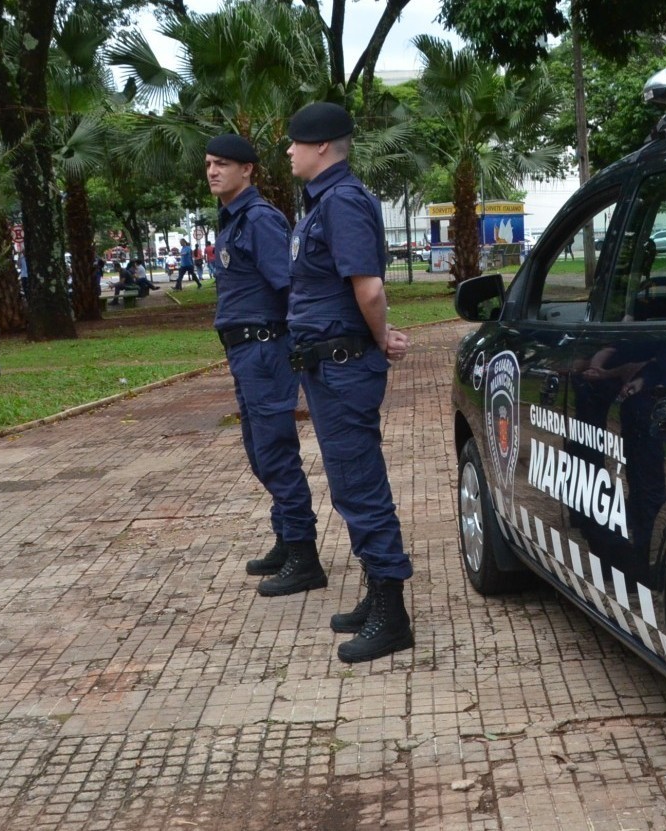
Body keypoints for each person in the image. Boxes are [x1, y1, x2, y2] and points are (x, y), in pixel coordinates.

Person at [283, 101, 415, 664]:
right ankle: (374, 594)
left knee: (360, 485)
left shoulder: (341, 203)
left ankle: (392, 614)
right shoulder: (319, 204)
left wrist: (383, 337)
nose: (287, 152)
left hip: (342, 366)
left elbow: (370, 290)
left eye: (294, 142)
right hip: (325, 364)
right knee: (348, 484)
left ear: (320, 147)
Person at [202, 133, 326, 603]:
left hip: (265, 349)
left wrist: (294, 346)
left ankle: (304, 554)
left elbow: (290, 287)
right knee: (260, 450)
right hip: (243, 351)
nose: (214, 171)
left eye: (223, 164)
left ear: (247, 169)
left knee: (274, 451)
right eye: (210, 163)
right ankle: (286, 537)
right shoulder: (231, 220)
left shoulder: (259, 220)